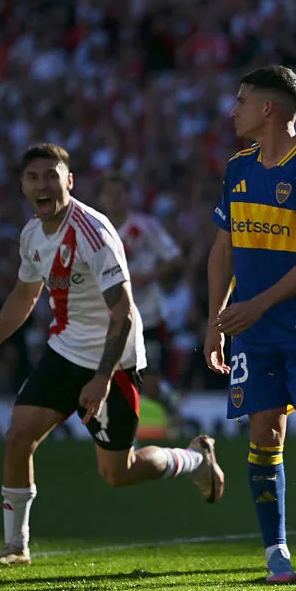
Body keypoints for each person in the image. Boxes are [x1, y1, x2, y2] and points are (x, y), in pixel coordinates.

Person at [0, 143, 224, 568]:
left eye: (52, 176)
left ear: (69, 181)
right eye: (33, 177)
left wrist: (102, 378)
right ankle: (15, 546)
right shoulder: (32, 234)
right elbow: (26, 294)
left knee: (116, 472)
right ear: (23, 186)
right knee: (18, 435)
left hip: (113, 357)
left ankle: (194, 459)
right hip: (65, 349)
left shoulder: (92, 232)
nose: (42, 184)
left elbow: (123, 313)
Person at [205, 66, 296, 584]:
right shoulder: (238, 168)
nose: (233, 110)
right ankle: (276, 553)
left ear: (269, 108)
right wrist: (215, 320)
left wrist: (255, 305)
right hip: (252, 328)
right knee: (264, 435)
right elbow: (223, 247)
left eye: (241, 100)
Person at [97, 173, 185, 435]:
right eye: (109, 194)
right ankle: (122, 437)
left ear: (128, 197)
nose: (114, 199)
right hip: (110, 318)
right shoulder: (96, 231)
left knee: (151, 384)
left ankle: (169, 402)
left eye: (120, 193)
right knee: (114, 377)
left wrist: (150, 276)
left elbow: (175, 259)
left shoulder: (146, 226)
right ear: (101, 198)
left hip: (147, 315)